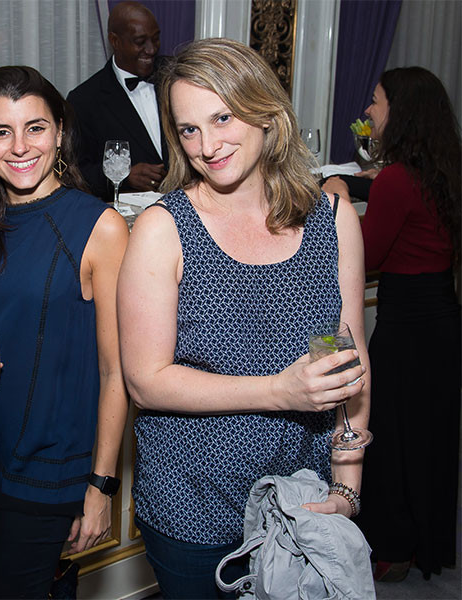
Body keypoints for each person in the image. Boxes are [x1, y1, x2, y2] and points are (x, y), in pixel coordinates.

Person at [117, 38, 370, 599]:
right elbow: (145, 380)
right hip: (194, 505)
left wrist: (348, 484)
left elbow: (347, 361)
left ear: (264, 111)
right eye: (188, 129)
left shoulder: (331, 220)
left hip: (300, 496)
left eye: (222, 117)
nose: (207, 145)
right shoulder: (165, 229)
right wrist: (281, 391)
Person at [0, 66, 129, 598]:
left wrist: (101, 486)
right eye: (1, 132)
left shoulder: (98, 227)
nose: (19, 147)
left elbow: (117, 372)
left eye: (35, 128)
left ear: (61, 131)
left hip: (48, 470)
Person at [324, 67, 461, 583]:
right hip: (444, 317)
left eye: (377, 102)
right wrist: (362, 184)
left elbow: (371, 250)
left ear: (400, 112)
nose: (369, 111)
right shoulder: (441, 166)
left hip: (405, 325)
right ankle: (426, 543)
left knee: (395, 436)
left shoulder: (399, 180)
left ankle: (393, 547)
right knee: (432, 437)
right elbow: (390, 191)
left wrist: (336, 199)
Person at [67, 1, 168, 201]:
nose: (151, 49)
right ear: (115, 41)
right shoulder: (84, 100)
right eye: (140, 41)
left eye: (155, 39)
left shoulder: (176, 76)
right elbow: (77, 172)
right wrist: (123, 177)